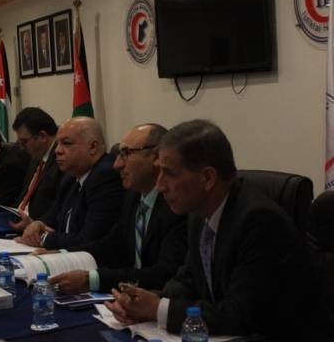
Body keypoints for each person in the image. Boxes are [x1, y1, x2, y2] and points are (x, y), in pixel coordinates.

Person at [104, 119, 329, 340]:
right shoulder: (198, 213)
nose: (160, 185)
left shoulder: (259, 221)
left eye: (169, 173)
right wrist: (143, 302)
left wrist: (158, 309)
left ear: (208, 178)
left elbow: (239, 313)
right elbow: (188, 279)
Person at [49, 124, 187, 294]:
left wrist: (92, 279)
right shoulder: (133, 197)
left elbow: (165, 274)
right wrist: (61, 254)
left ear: (156, 156)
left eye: (126, 153)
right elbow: (111, 245)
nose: (116, 164)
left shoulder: (176, 204)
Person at [16, 117, 124, 249]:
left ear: (93, 147)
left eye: (66, 143)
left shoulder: (106, 176)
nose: (57, 150)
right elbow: (53, 216)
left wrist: (43, 238)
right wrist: (37, 224)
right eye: (57, 144)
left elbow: (89, 239)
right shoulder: (71, 176)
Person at [11, 107, 62, 224]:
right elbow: (23, 198)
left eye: (24, 142)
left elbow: (58, 209)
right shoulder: (35, 157)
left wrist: (33, 224)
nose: (21, 148)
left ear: (42, 136)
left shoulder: (61, 161)